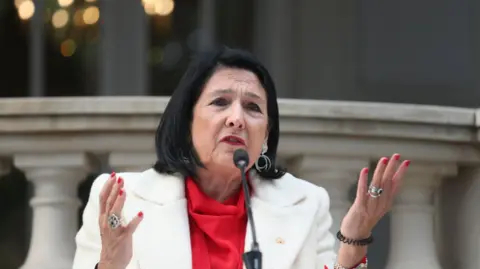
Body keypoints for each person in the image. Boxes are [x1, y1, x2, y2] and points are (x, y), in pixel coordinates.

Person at [72, 47, 410, 269]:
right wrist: (109, 264)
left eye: (252, 107)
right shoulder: (121, 198)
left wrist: (354, 239)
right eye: (220, 102)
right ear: (186, 120)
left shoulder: (306, 204)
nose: (237, 118)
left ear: (265, 135)